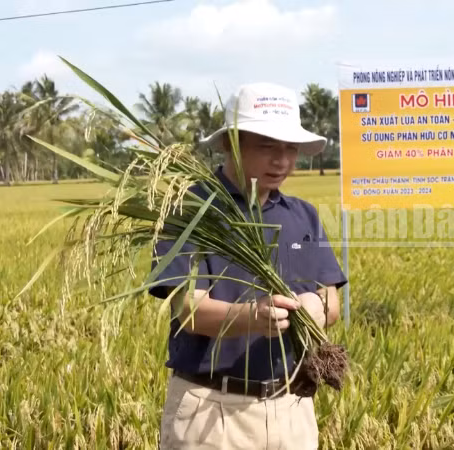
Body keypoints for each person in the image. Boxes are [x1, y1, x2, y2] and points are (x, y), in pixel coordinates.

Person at [148, 82, 348, 450]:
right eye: (267, 146)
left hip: (293, 408)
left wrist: (315, 309)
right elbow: (188, 310)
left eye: (290, 148)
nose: (282, 161)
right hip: (212, 412)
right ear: (230, 144)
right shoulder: (191, 211)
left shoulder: (303, 216)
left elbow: (332, 301)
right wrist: (253, 317)